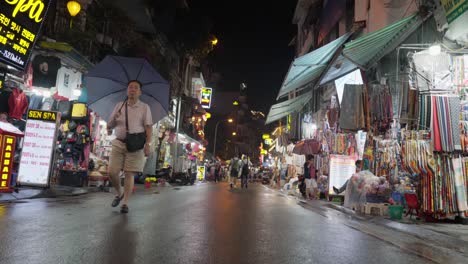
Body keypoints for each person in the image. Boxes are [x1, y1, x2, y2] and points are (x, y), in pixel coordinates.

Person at [107, 80, 153, 214]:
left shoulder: (145, 107)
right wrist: (114, 120)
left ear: (140, 92)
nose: (132, 89)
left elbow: (148, 127)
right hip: (118, 142)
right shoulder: (119, 106)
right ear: (127, 90)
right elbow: (110, 126)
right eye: (130, 87)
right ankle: (119, 192)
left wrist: (148, 144)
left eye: (135, 88)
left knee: (129, 173)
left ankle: (125, 203)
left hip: (135, 145)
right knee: (112, 171)